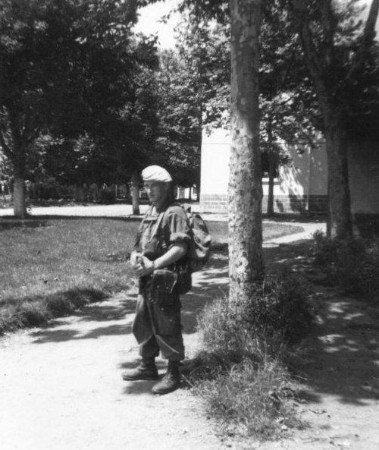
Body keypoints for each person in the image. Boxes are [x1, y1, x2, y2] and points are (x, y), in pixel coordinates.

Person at [122, 165, 191, 395]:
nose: (149, 190)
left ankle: (173, 372)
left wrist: (154, 264)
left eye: (154, 186)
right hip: (147, 277)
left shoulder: (174, 212)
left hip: (165, 278)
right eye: (147, 186)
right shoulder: (151, 211)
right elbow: (138, 243)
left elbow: (180, 248)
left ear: (166, 187)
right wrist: (135, 258)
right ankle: (147, 366)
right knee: (143, 321)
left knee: (167, 324)